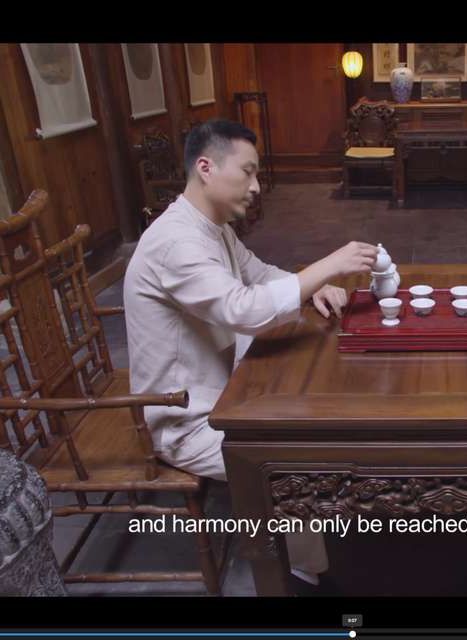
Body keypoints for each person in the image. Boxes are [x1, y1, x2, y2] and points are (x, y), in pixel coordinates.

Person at [124, 119, 377, 581]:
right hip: (187, 420)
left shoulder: (210, 226)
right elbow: (242, 309)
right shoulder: (176, 241)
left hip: (224, 391)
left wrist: (310, 286)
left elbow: (258, 273)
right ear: (206, 168)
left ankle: (321, 537)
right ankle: (299, 575)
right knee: (296, 457)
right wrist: (329, 266)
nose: (257, 186)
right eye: (248, 172)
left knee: (313, 408)